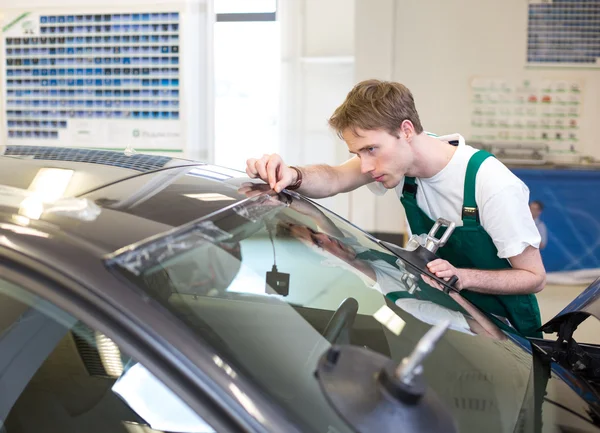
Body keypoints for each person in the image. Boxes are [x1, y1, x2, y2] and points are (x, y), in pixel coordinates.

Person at [246, 79, 546, 337]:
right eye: (357, 153)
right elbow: (335, 178)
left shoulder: (490, 184)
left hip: (508, 332)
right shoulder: (402, 166)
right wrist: (293, 175)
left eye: (370, 149)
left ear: (405, 130)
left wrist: (464, 277)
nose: (365, 166)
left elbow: (534, 277)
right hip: (450, 317)